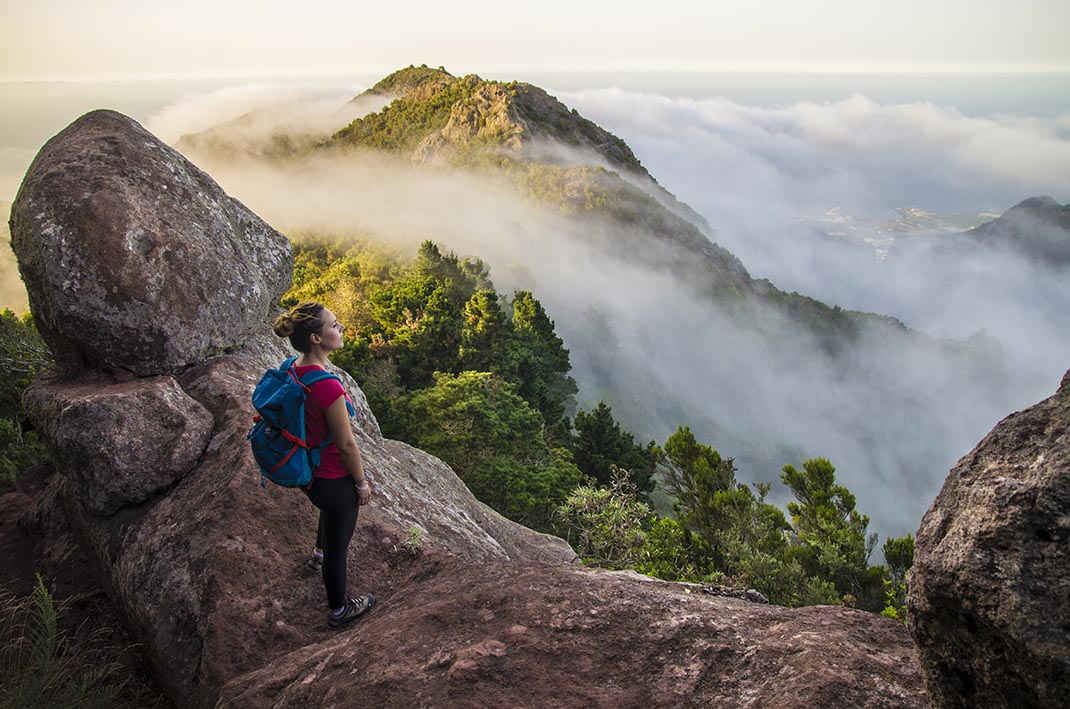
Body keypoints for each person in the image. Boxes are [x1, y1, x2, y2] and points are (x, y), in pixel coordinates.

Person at [272, 300, 375, 630]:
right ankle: (339, 610)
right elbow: (345, 444)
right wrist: (360, 483)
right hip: (333, 477)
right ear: (316, 338)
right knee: (338, 549)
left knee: (327, 513)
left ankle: (317, 555)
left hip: (308, 472)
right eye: (334, 325)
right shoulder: (328, 386)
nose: (340, 328)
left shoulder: (292, 367)